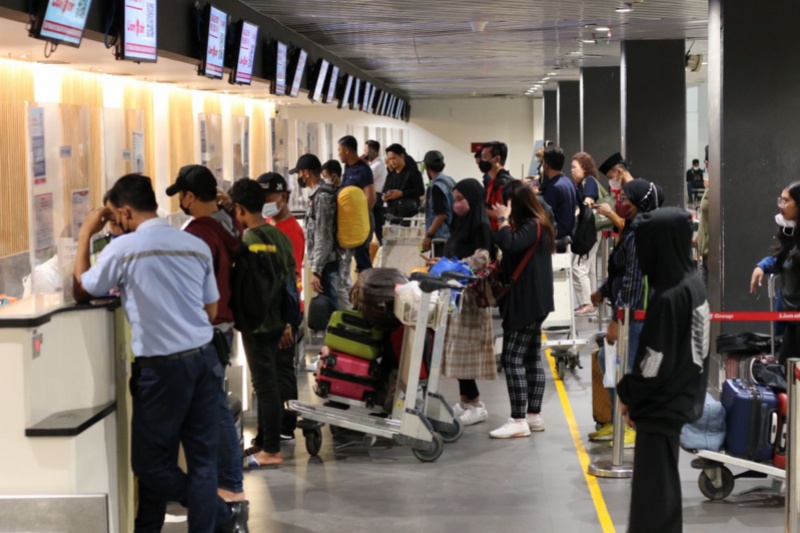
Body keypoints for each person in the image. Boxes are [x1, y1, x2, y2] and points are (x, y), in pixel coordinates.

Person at [72, 174, 245, 532]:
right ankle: (207, 519)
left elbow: (82, 289)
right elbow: (211, 310)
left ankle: (218, 513)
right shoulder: (192, 243)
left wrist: (85, 234)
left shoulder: (124, 248)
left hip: (162, 371)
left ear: (122, 211)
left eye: (112, 216)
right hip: (203, 359)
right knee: (201, 462)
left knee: (150, 463)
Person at [618, 207, 710, 533]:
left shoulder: (669, 297)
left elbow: (653, 361)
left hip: (661, 405)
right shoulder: (693, 284)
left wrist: (629, 393)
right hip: (683, 396)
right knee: (665, 491)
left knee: (652, 497)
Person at [165, 165, 247, 506]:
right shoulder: (227, 224)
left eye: (180, 195)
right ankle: (225, 479)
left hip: (208, 330)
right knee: (212, 406)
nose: (180, 201)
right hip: (224, 329)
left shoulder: (198, 233)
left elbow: (193, 290)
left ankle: (229, 483)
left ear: (188, 196)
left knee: (213, 409)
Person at [590, 178, 664, 447]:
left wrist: (617, 319)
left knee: (627, 368)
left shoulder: (641, 234)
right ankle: (616, 420)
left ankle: (632, 423)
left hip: (636, 314)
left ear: (640, 203)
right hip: (628, 311)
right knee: (606, 363)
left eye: (625, 200)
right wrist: (603, 290)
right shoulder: (632, 230)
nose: (619, 204)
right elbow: (620, 271)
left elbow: (633, 280)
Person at [228, 178, 296, 468]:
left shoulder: (247, 242)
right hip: (279, 322)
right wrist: (287, 322)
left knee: (265, 385)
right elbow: (290, 283)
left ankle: (271, 449)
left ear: (239, 209)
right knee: (271, 384)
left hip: (258, 325)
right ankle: (265, 442)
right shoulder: (279, 236)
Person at [489, 181, 556, 438]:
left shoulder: (531, 225)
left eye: (504, 202)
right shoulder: (541, 222)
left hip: (527, 301)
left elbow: (510, 244)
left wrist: (503, 220)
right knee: (530, 357)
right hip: (537, 300)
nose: (500, 207)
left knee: (512, 358)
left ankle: (518, 420)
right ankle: (533, 415)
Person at [434, 178, 496, 426]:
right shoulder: (461, 224)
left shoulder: (481, 225)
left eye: (461, 199)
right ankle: (465, 400)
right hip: (455, 294)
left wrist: (457, 266)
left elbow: (483, 258)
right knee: (457, 352)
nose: (456, 204)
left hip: (470, 298)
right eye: (455, 198)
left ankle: (477, 403)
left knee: (466, 352)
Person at [258, 172, 306, 441]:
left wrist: (287, 321)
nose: (266, 203)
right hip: (272, 312)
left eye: (269, 197)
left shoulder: (292, 233)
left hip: (286, 313)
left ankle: (287, 425)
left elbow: (293, 278)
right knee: (272, 370)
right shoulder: (269, 224)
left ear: (284, 197)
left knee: (283, 370)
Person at [751, 182, 800, 364]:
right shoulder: (790, 232)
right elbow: (782, 260)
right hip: (791, 322)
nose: (781, 205)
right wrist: (761, 266)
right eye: (781, 200)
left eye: (786, 201)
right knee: (786, 376)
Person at [295, 154, 339, 314]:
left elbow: (324, 234)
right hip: (323, 264)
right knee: (327, 308)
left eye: (299, 173)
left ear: (306, 173)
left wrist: (317, 271)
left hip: (327, 264)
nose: (299, 177)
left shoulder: (323, 196)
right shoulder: (317, 194)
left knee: (331, 310)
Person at [338, 135, 375, 274]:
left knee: (363, 260)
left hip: (360, 221)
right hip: (349, 223)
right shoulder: (347, 167)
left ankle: (368, 289)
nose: (338, 154)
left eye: (339, 150)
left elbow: (371, 198)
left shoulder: (363, 169)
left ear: (347, 150)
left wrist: (359, 218)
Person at [571, 152, 601, 316]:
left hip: (589, 231)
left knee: (579, 267)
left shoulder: (589, 182)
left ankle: (587, 303)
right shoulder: (584, 183)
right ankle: (592, 301)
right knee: (588, 269)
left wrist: (574, 214)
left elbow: (588, 202)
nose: (572, 170)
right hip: (593, 230)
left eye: (574, 167)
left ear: (585, 167)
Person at [539, 146, 578, 243]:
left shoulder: (554, 187)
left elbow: (545, 215)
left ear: (546, 165)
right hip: (568, 235)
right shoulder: (568, 182)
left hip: (557, 237)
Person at [421, 150, 456, 252]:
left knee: (439, 266)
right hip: (452, 234)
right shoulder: (450, 181)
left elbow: (441, 215)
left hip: (441, 239)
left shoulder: (436, 187)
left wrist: (428, 235)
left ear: (427, 167)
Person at [383, 143, 425, 221]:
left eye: (394, 158)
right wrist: (385, 196)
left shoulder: (413, 172)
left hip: (409, 215)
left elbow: (420, 190)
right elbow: (385, 189)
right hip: (392, 213)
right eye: (389, 159)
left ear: (402, 156)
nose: (392, 161)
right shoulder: (391, 175)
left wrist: (402, 193)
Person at [596, 152, 635, 233]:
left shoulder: (632, 191)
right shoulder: (624, 190)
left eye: (610, 177)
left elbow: (626, 226)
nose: (610, 181)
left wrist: (609, 212)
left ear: (619, 171)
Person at [481, 141, 515, 231]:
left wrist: (480, 208)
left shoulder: (503, 184)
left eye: (484, 157)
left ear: (497, 159)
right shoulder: (493, 181)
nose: (481, 161)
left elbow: (502, 214)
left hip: (503, 234)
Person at [364, 140, 387, 244]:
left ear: (372, 151)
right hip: (374, 196)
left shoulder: (377, 165)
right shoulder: (374, 164)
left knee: (375, 225)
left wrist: (361, 163)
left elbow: (362, 179)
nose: (364, 153)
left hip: (376, 198)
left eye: (366, 150)